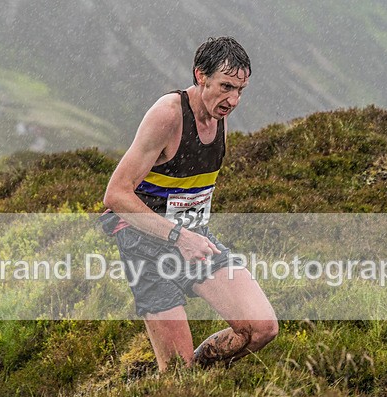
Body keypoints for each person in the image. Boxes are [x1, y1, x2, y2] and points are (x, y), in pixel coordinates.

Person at [102, 36, 278, 372]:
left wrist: (189, 234)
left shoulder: (219, 113)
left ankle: (201, 375)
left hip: (195, 237)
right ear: (201, 75)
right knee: (178, 377)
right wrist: (177, 236)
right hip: (145, 242)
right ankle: (181, 388)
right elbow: (116, 194)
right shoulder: (168, 115)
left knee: (261, 329)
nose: (233, 100)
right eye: (226, 86)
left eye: (240, 90)